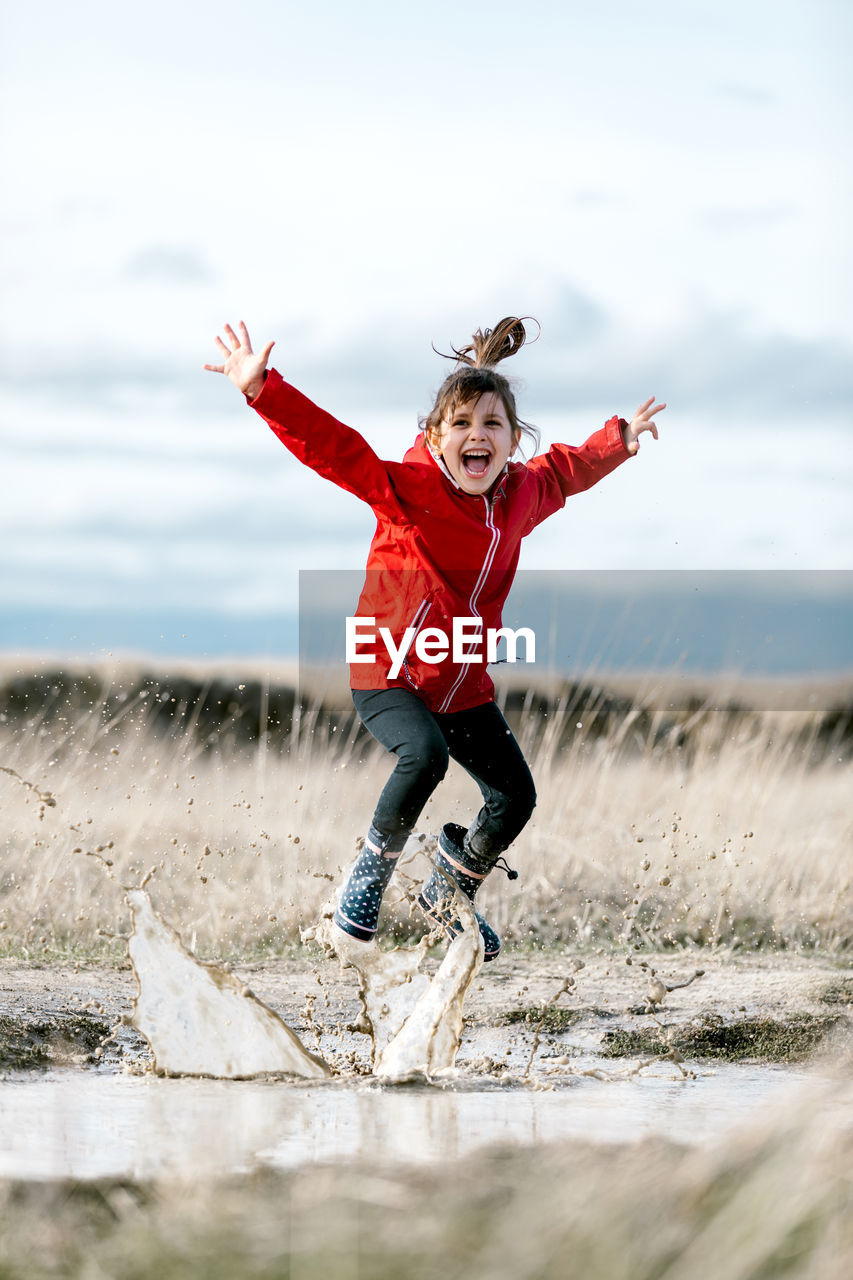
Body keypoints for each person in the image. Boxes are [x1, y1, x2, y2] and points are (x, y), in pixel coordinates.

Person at [205, 317, 665, 961]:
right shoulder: (407, 490)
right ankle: (364, 891)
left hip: (460, 681)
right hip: (387, 671)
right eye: (461, 425)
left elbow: (563, 472)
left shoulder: (521, 494)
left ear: (511, 442)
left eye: (492, 425)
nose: (477, 436)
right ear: (434, 437)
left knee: (514, 798)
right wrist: (263, 390)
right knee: (423, 758)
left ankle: (448, 889)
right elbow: (336, 448)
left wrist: (617, 439)